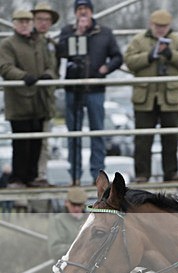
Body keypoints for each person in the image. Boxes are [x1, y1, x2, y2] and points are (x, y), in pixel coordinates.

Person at [56, 0, 123, 185]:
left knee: (97, 133)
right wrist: (77, 34)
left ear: (92, 12)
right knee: (73, 134)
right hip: (73, 89)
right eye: (79, 9)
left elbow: (118, 56)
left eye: (86, 9)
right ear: (75, 13)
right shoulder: (67, 31)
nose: (83, 13)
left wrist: (105, 69)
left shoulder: (104, 32)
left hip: (95, 89)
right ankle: (75, 175)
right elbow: (59, 53)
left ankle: (98, 175)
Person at [123, 9, 178, 183]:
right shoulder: (139, 40)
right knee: (142, 139)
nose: (161, 29)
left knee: (171, 138)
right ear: (151, 24)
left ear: (169, 26)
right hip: (145, 98)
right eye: (158, 26)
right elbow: (130, 62)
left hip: (169, 98)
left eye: (164, 26)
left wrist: (170, 54)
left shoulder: (176, 41)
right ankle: (142, 174)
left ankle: (171, 173)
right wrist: (149, 56)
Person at [0, 9, 57, 188]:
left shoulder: (41, 42)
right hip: (19, 100)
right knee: (21, 142)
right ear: (15, 24)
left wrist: (48, 74)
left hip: (39, 99)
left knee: (37, 142)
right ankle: (18, 178)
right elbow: (5, 67)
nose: (24, 24)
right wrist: (23, 76)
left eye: (27, 21)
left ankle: (32, 177)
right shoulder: (7, 44)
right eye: (20, 21)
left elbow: (51, 63)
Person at [32, 3, 61, 183]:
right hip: (26, 97)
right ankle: (28, 175)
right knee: (25, 140)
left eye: (47, 20)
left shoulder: (51, 44)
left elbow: (55, 68)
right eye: (39, 19)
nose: (43, 23)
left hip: (45, 98)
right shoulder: (26, 41)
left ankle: (40, 174)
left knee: (43, 141)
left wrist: (49, 75)